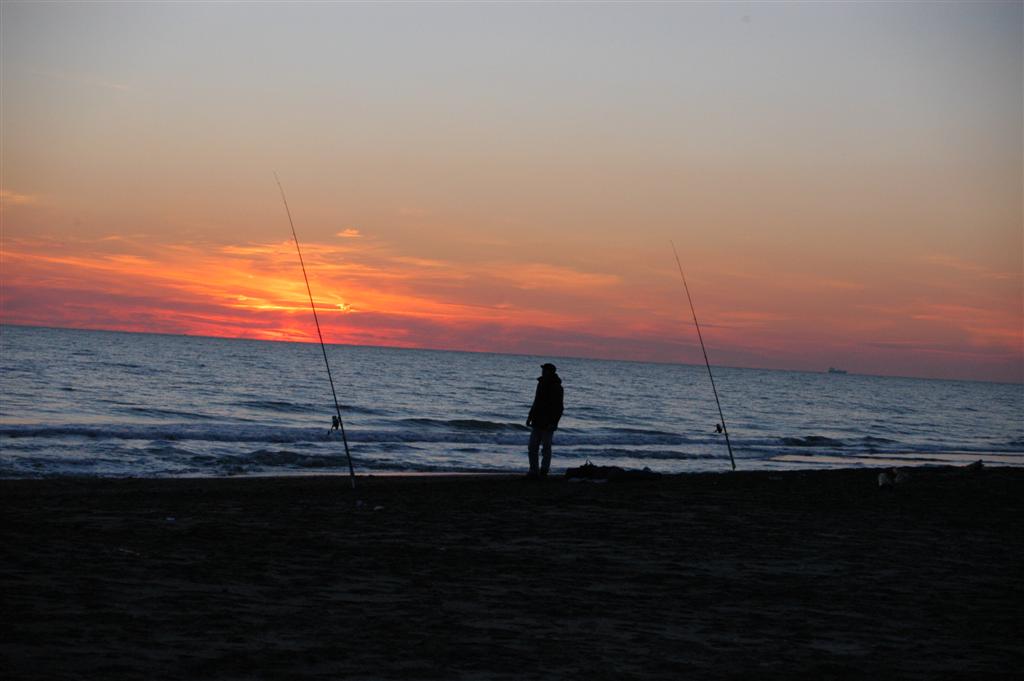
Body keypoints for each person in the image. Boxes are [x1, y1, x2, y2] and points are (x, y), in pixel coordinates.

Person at [526, 362, 564, 478]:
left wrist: (554, 422)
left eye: (545, 370)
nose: (542, 371)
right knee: (532, 446)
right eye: (543, 370)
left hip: (548, 422)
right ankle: (534, 470)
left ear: (550, 372)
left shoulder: (557, 387)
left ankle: (544, 470)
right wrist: (530, 416)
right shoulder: (541, 384)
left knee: (546, 448)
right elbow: (536, 401)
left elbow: (559, 407)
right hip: (537, 420)